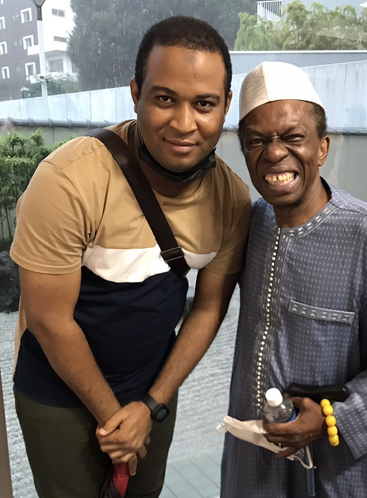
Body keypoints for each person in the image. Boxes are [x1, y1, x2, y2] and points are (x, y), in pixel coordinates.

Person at [10, 16, 250, 498]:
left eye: (204, 104)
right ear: (136, 93)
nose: (184, 123)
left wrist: (151, 405)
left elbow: (208, 308)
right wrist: (114, 417)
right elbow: (49, 320)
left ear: (226, 105)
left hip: (152, 392)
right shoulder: (68, 180)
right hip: (59, 395)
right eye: (165, 99)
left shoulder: (232, 199)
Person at [221, 62, 367, 497]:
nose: (274, 153)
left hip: (343, 470)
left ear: (322, 148)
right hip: (258, 462)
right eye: (257, 141)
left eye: (292, 137)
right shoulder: (254, 223)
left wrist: (331, 419)